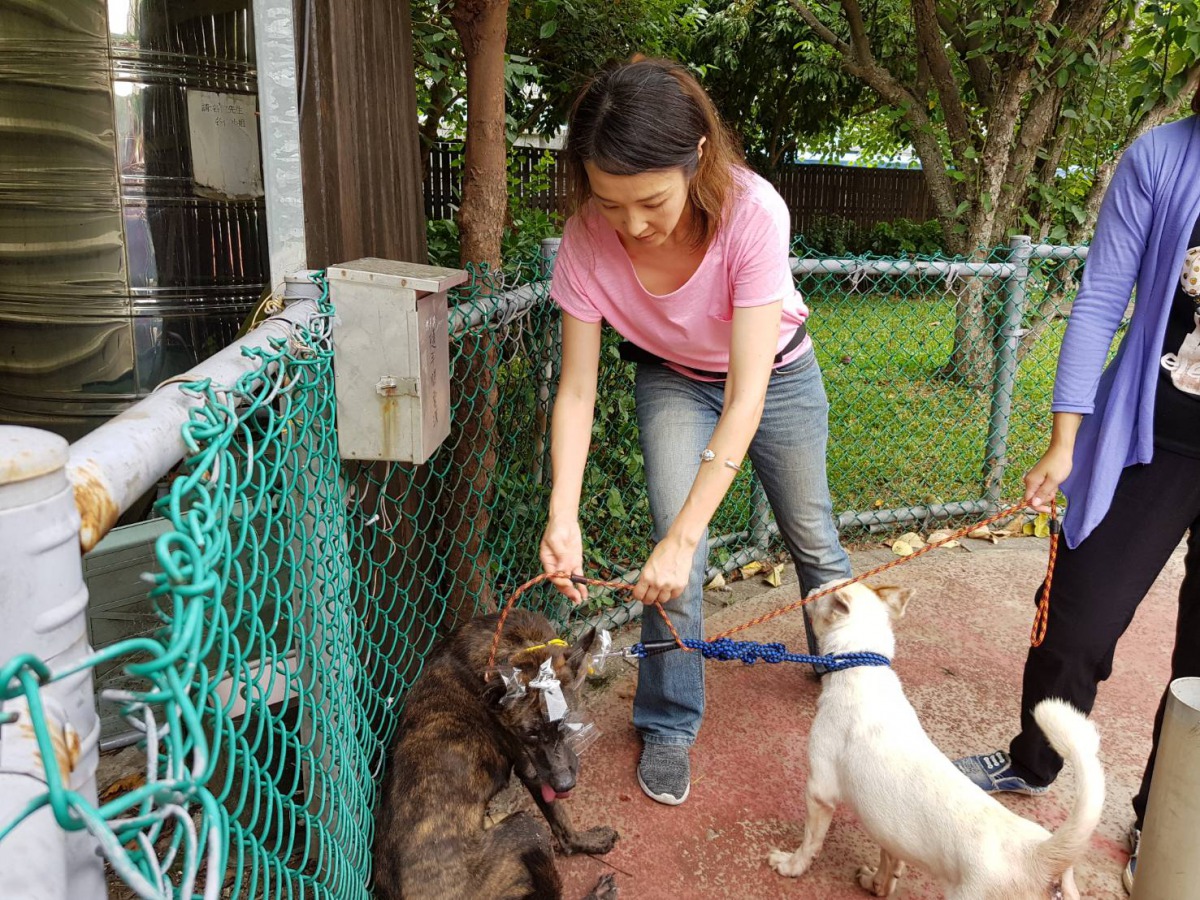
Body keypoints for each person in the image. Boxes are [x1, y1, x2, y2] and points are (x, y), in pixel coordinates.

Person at [538, 57, 851, 806]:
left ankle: (851, 674)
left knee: (812, 534)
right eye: (611, 205)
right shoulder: (587, 238)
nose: (632, 226)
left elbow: (747, 394)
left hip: (774, 376)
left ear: (697, 160)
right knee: (670, 544)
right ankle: (670, 720)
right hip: (674, 377)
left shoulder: (753, 210)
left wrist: (686, 539)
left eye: (650, 201)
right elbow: (577, 390)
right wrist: (563, 511)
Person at [954, 97, 1200, 893]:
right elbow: (1101, 298)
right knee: (1078, 619)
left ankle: (1163, 814)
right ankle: (1033, 762)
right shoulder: (1162, 158)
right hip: (1147, 434)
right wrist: (1066, 439)